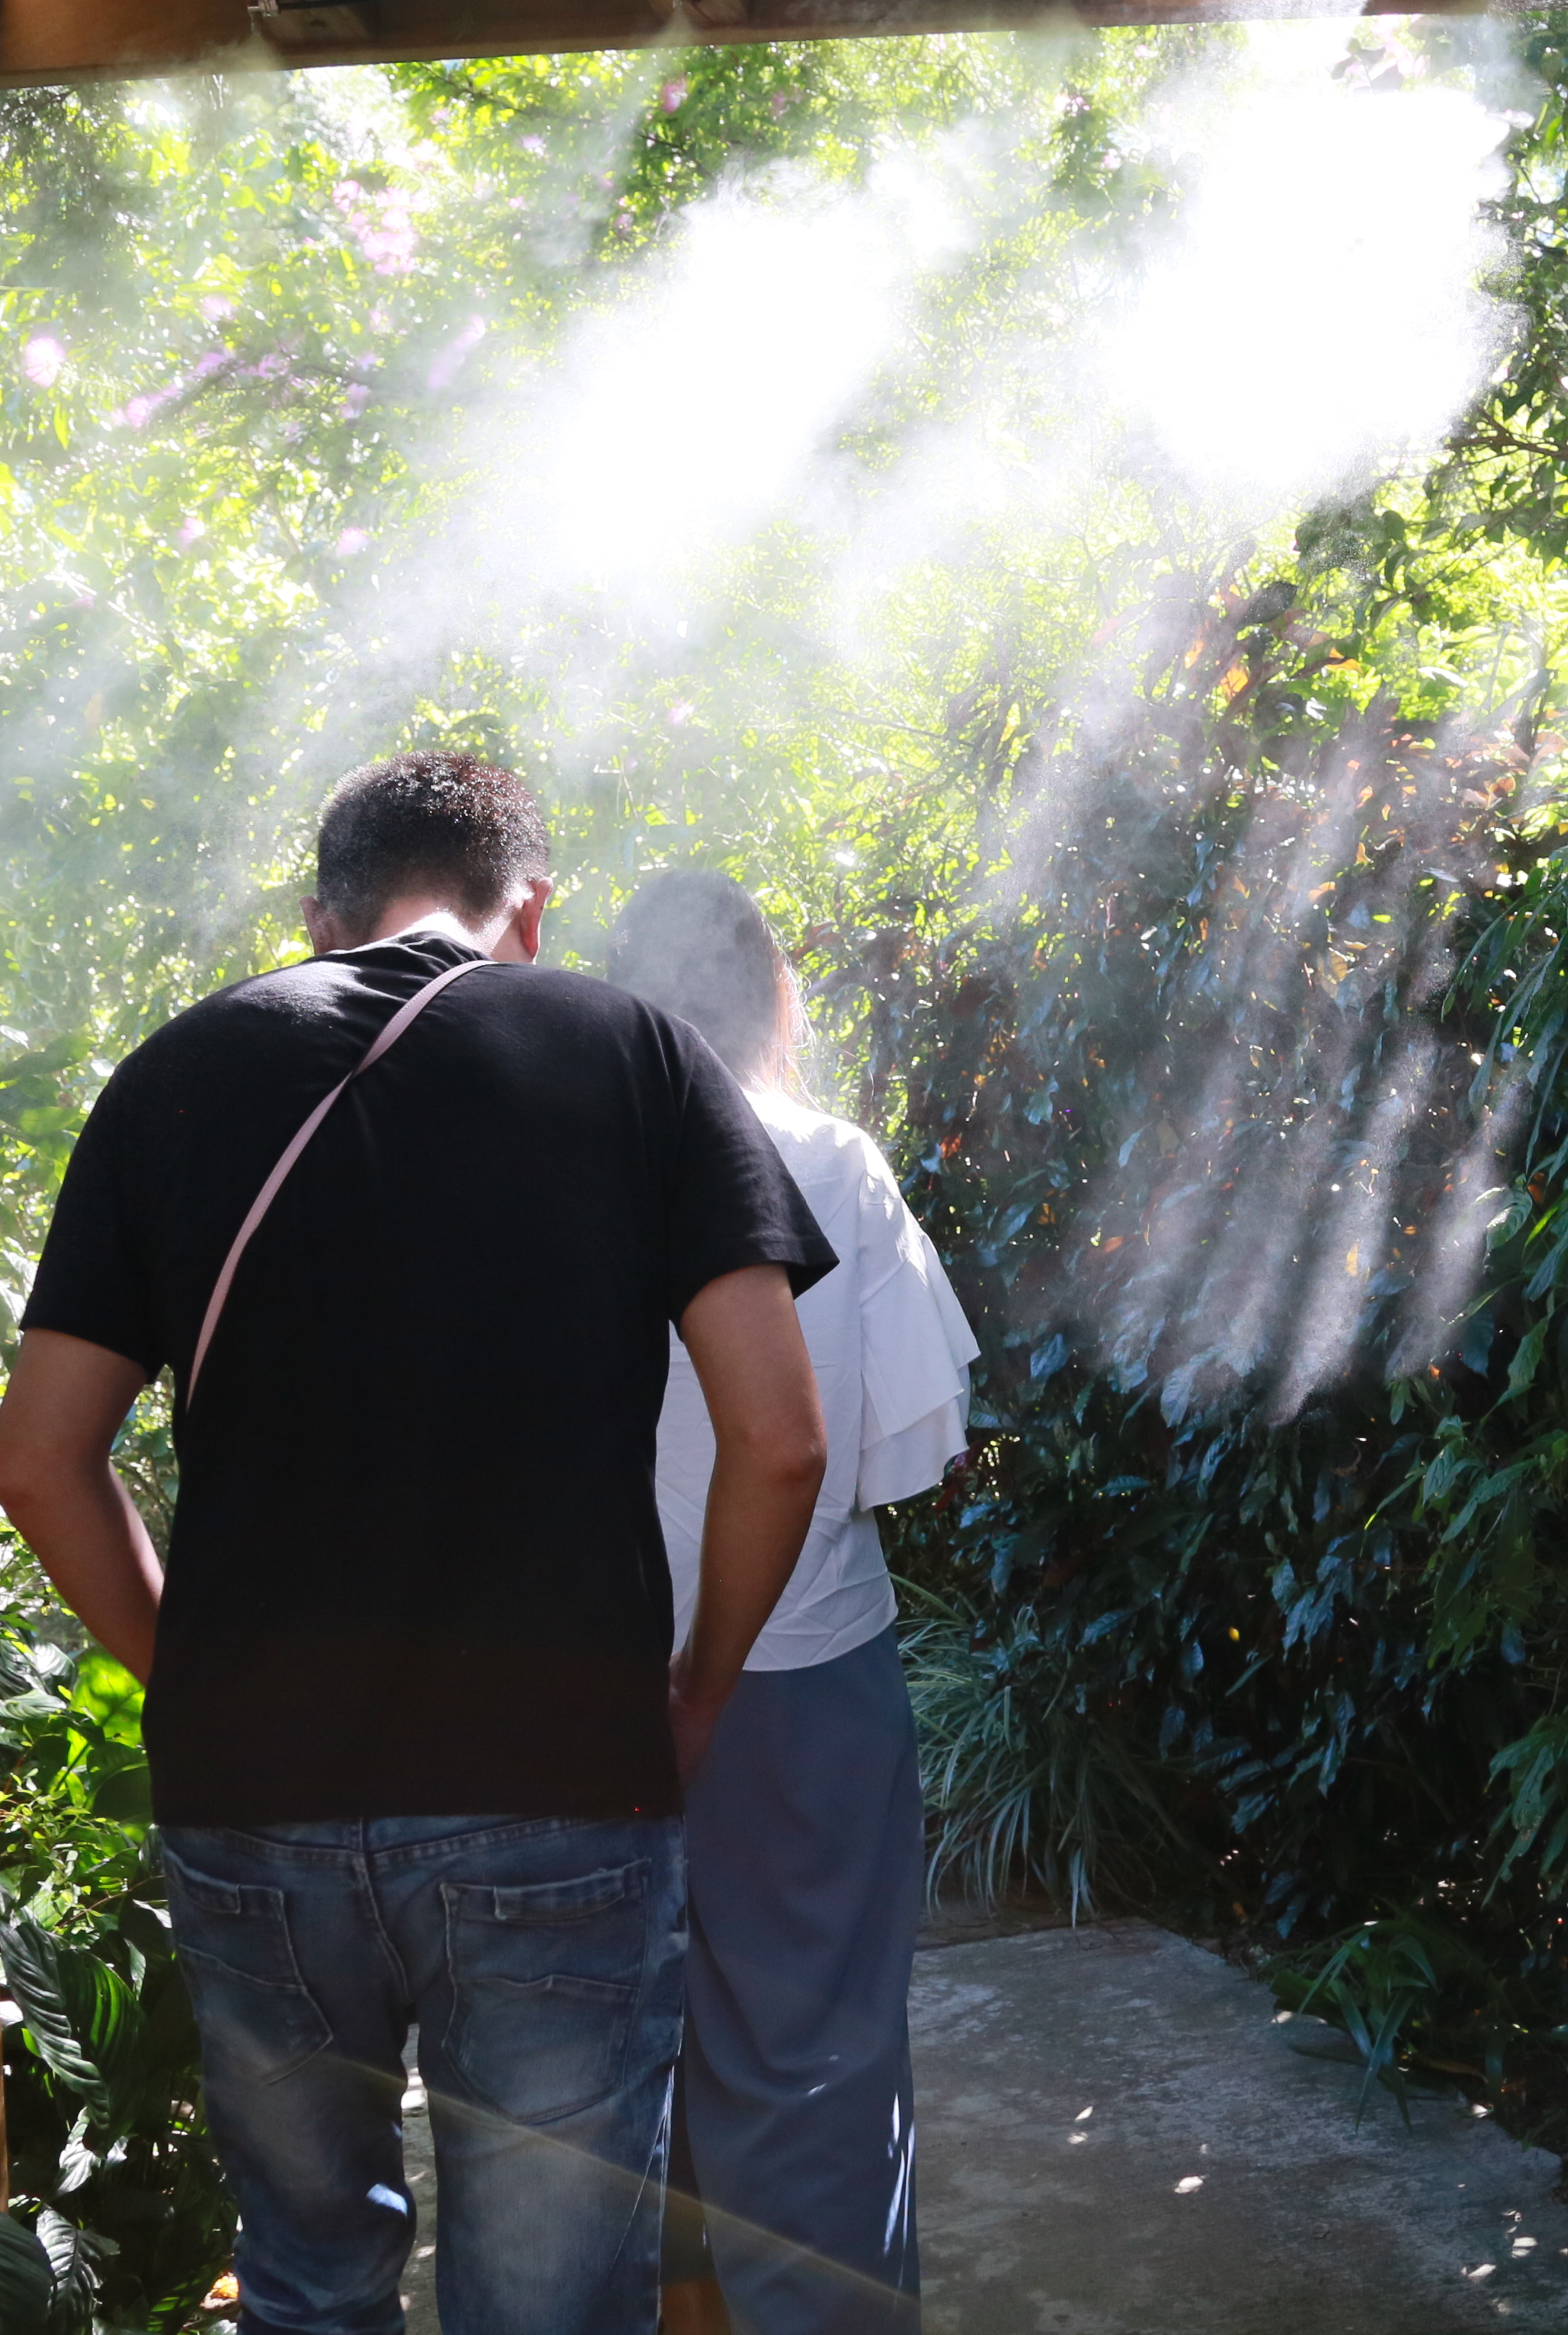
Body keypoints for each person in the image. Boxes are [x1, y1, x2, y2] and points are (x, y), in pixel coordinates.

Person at [0, 755, 837, 2335]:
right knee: (553, 2300)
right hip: (556, 1784)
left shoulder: (176, 1072)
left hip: (258, 1798)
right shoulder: (637, 1054)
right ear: (530, 910)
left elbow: (41, 1462)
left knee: (309, 2280)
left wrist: (194, 1676)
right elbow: (780, 1438)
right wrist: (704, 1686)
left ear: (318, 914)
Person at [605, 868, 977, 2335]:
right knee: (815, 2073)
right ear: (772, 998)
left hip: (594, 1685)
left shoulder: (563, 1161)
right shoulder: (830, 1159)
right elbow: (906, 1448)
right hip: (801, 1674)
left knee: (615, 2067)